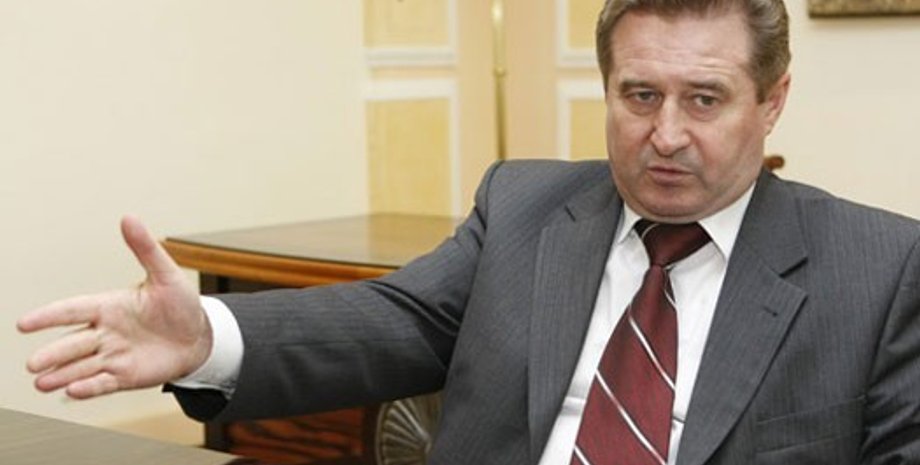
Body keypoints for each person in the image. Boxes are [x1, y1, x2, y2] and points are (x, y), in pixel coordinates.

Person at [18, 0, 920, 463]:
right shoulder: (524, 206)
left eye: (706, 99)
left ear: (773, 101)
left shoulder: (878, 269)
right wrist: (207, 337)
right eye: (640, 95)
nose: (667, 133)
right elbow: (391, 320)